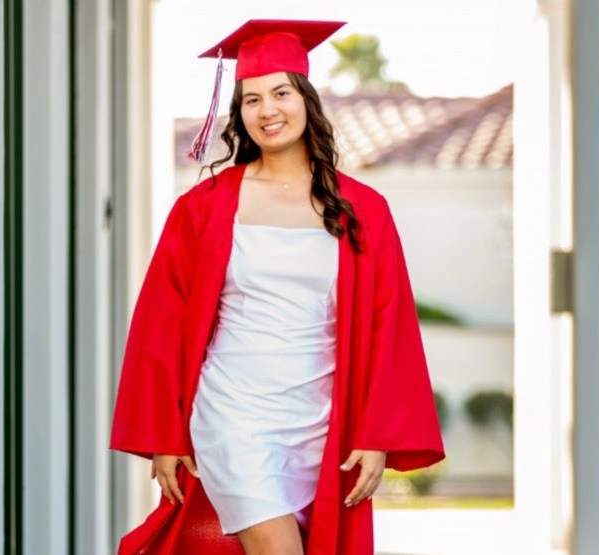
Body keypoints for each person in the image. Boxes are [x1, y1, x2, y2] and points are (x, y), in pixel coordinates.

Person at [110, 19, 445, 555]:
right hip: (233, 412)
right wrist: (163, 435)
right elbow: (160, 323)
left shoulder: (364, 210)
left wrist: (377, 434)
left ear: (307, 100)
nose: (267, 111)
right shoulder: (204, 207)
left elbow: (391, 326)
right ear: (238, 114)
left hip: (317, 420)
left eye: (281, 93)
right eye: (251, 100)